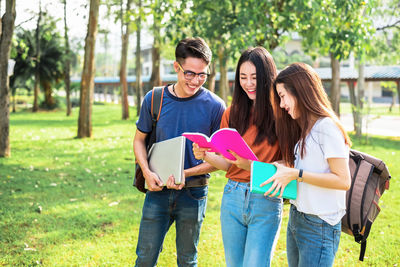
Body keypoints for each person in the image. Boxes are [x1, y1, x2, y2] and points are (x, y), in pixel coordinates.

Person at [133, 37, 226, 267]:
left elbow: (221, 159)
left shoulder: (216, 107)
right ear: (176, 67)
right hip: (158, 190)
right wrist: (146, 172)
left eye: (202, 74)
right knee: (144, 259)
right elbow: (138, 140)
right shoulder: (154, 99)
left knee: (188, 261)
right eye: (190, 73)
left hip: (193, 194)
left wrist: (186, 172)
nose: (196, 81)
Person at [193, 47, 282, 267]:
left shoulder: (281, 112)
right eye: (243, 77)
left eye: (254, 77)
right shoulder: (232, 112)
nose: (249, 83)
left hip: (265, 195)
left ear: (267, 77)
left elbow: (288, 164)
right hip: (232, 196)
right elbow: (228, 164)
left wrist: (250, 165)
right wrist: (206, 154)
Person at [264, 62, 352, 267]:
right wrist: (284, 168)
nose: (282, 104)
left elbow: (343, 180)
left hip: (319, 225)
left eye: (283, 96)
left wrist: (297, 174)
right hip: (298, 218)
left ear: (300, 91)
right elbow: (308, 167)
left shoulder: (326, 127)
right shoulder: (306, 129)